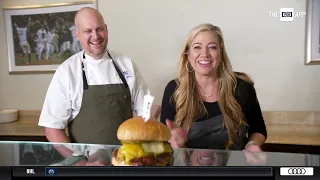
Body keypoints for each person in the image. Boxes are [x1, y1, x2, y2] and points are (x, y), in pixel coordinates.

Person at [38, 7, 149, 145]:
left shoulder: (127, 64)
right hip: (86, 163)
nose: (96, 36)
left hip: (126, 161)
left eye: (99, 29)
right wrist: (80, 162)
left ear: (106, 29)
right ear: (77, 34)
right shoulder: (66, 72)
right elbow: (52, 129)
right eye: (88, 31)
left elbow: (146, 111)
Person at [160, 23, 267, 153]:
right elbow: (166, 141)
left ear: (221, 53)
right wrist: (175, 141)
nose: (204, 54)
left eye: (212, 47)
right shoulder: (174, 89)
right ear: (187, 54)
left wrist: (252, 145)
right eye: (197, 47)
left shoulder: (241, 87)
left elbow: (258, 130)